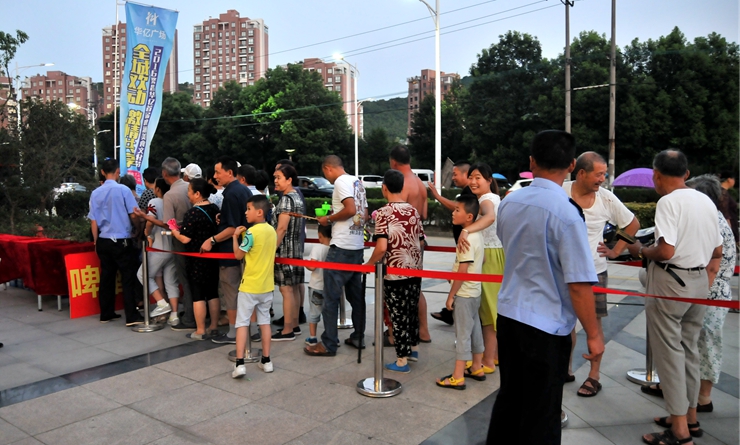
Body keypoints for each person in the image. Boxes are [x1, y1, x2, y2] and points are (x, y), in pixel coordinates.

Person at [487, 130, 604, 445]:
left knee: (509, 400)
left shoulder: (509, 203)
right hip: (546, 326)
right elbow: (578, 284)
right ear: (571, 165)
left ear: (532, 162)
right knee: (542, 412)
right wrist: (594, 335)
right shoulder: (567, 213)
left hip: (510, 317)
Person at [625, 150, 722, 445]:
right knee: (689, 350)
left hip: (671, 282)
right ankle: (690, 418)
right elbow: (717, 250)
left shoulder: (668, 201)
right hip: (698, 282)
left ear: (656, 175)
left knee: (669, 355)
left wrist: (641, 250)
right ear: (687, 173)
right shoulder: (705, 200)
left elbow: (666, 251)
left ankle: (679, 431)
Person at [563, 152, 640, 393]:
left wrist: (616, 250)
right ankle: (565, 369)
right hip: (562, 272)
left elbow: (633, 224)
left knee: (593, 325)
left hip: (594, 273)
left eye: (604, 174)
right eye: (598, 174)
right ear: (581, 173)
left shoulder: (606, 198)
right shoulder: (560, 191)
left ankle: (593, 376)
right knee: (564, 323)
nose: (602, 179)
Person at [306, 155, 367, 356]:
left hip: (341, 246)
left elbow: (350, 209)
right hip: (357, 245)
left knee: (330, 297)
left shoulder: (340, 182)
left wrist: (330, 219)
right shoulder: (356, 182)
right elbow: (363, 213)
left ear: (328, 168)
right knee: (356, 297)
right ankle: (358, 336)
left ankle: (329, 344)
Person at [364, 170, 424, 373]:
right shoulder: (413, 211)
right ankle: (413, 350)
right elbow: (421, 242)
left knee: (398, 316)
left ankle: (401, 361)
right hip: (415, 271)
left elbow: (381, 247)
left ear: (384, 188)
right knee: (411, 312)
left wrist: (369, 264)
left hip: (394, 272)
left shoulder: (383, 213)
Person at [686, 175, 736, 415]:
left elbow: (712, 267)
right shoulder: (712, 219)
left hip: (709, 295)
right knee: (700, 345)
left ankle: (703, 398)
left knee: (706, 346)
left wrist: (696, 298)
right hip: (710, 293)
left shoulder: (712, 223)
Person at [457, 163, 503, 374]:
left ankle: (488, 361)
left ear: (489, 180)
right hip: (493, 254)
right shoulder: (490, 198)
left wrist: (466, 231)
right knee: (491, 308)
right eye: (471, 177)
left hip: (490, 257)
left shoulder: (487, 199)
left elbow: (490, 216)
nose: (473, 182)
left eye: (478, 178)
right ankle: (493, 355)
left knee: (487, 310)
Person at [436, 195, 485, 389]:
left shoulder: (466, 240)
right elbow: (483, 260)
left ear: (469, 217)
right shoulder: (477, 235)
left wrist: (451, 296)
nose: (453, 213)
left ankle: (458, 376)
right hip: (475, 291)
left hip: (464, 294)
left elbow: (463, 270)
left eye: (457, 210)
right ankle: (477, 367)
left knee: (462, 334)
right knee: (475, 329)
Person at [87, 159, 144, 326]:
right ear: (118, 171)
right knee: (127, 277)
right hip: (122, 239)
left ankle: (106, 313)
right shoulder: (124, 190)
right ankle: (131, 315)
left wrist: (96, 241)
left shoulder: (95, 193)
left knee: (107, 277)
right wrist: (137, 230)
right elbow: (133, 214)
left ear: (102, 172)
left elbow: (93, 220)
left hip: (103, 239)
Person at [203, 157, 252, 345]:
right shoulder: (243, 189)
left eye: (218, 172)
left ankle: (233, 332)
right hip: (245, 249)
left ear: (229, 172)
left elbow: (233, 227)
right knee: (246, 292)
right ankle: (251, 329)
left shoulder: (231, 194)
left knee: (231, 291)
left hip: (230, 252)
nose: (215, 176)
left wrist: (212, 240)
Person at [389, 145, 431, 344]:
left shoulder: (402, 183)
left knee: (397, 289)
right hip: (418, 239)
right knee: (416, 287)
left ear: (393, 162)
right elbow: (424, 215)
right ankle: (423, 330)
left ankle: (396, 333)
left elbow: (398, 215)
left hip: (403, 243)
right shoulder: (420, 183)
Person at [169, 179, 221, 340]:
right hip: (213, 258)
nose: (188, 195)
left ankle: (200, 330)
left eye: (189, 192)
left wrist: (174, 230)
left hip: (196, 260)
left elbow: (185, 239)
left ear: (197, 194)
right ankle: (214, 326)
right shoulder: (214, 208)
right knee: (212, 293)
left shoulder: (192, 213)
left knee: (198, 295)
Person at [231, 195, 277, 378]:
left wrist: (235, 236)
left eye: (249, 209)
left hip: (249, 286)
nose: (246, 212)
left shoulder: (251, 233)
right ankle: (267, 360)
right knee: (264, 322)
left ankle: (240, 364)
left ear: (259, 212)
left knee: (242, 323)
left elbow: (238, 255)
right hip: (267, 285)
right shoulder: (272, 231)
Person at [429, 160, 475, 325]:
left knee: (461, 279)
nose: (453, 177)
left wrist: (438, 197)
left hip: (466, 246)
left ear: (466, 174)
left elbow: (457, 206)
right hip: (462, 245)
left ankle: (454, 311)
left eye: (455, 174)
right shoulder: (467, 192)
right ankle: (451, 311)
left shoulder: (470, 192)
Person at [271, 164, 306, 342]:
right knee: (293, 288)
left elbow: (281, 228)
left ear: (289, 179)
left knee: (286, 290)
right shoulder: (296, 197)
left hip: (285, 250)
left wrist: (272, 250)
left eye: (279, 177)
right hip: (296, 249)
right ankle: (294, 324)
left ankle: (287, 329)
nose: (275, 181)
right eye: (275, 177)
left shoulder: (286, 199)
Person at [136, 178, 179, 324]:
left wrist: (147, 233)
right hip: (173, 248)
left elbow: (150, 221)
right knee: (171, 282)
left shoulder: (154, 202)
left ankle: (161, 303)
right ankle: (174, 315)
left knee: (142, 274)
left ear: (158, 189)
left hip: (159, 247)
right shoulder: (172, 200)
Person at [161, 157, 193, 330]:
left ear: (164, 174)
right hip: (200, 238)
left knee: (185, 278)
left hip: (181, 240)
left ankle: (189, 317)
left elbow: (168, 223)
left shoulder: (169, 195)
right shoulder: (191, 187)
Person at [304, 223, 332, 346]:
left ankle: (312, 337)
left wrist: (305, 263)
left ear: (320, 235)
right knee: (329, 312)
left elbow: (312, 266)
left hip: (316, 286)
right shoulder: (334, 249)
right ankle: (331, 336)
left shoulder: (317, 248)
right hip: (330, 287)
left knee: (314, 312)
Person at [719, 171, 738, 245]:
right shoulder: (723, 193)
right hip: (728, 228)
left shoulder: (722, 192)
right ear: (729, 179)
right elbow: (725, 214)